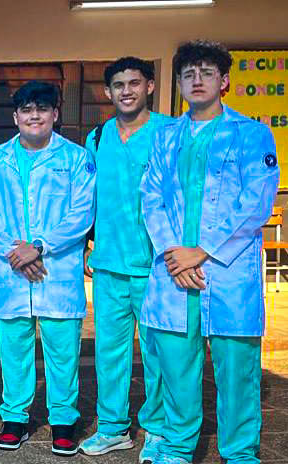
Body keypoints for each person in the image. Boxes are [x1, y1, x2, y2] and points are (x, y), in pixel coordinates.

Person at [141, 40, 277, 464]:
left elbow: (256, 203)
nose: (196, 80)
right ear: (179, 83)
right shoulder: (166, 138)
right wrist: (172, 253)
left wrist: (200, 252)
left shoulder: (252, 134)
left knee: (237, 369)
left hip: (227, 269)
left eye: (206, 72)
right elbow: (151, 198)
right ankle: (179, 446)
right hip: (175, 268)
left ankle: (239, 452)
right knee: (177, 366)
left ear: (225, 81)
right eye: (187, 74)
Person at [0, 80, 95, 456]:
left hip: (56, 271)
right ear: (15, 117)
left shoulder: (76, 159)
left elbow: (82, 213)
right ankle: (15, 418)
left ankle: (63, 420)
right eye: (27, 109)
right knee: (14, 349)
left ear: (55, 114)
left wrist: (40, 246)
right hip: (14, 270)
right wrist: (18, 252)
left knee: (63, 351)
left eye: (42, 109)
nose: (34, 115)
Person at [78, 57, 171, 460]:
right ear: (107, 92)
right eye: (119, 85)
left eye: (135, 82)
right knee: (109, 353)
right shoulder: (97, 138)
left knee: (158, 351)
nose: (127, 90)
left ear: (150, 86)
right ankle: (113, 427)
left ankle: (159, 428)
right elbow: (89, 199)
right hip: (109, 265)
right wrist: (86, 241)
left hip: (158, 265)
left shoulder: (170, 132)